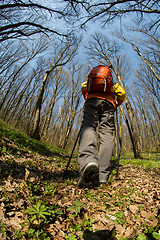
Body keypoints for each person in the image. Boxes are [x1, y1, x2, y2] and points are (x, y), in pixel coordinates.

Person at [77, 65, 126, 188]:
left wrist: (88, 97)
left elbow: (83, 87)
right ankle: (102, 175)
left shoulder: (91, 80)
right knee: (107, 134)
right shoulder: (112, 83)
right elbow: (122, 93)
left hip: (91, 101)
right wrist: (116, 103)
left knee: (88, 127)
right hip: (109, 104)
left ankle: (89, 161)